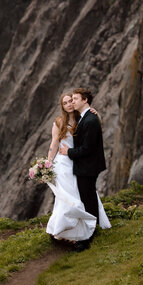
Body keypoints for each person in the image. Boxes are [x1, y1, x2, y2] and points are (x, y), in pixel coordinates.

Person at [45, 93, 105, 245]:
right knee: (67, 196)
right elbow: (54, 144)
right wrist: (47, 164)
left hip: (77, 161)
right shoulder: (59, 122)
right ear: (63, 107)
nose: (69, 104)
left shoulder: (82, 118)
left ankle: (84, 227)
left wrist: (95, 113)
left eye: (71, 100)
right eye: (65, 103)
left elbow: (92, 131)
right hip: (64, 163)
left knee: (80, 195)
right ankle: (63, 229)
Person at [59, 87, 110, 251]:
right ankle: (90, 231)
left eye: (75, 99)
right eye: (70, 100)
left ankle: (87, 238)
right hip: (86, 166)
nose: (72, 102)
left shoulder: (89, 120)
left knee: (88, 201)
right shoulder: (86, 117)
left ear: (84, 100)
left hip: (88, 167)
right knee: (89, 199)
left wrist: (68, 152)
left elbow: (87, 148)